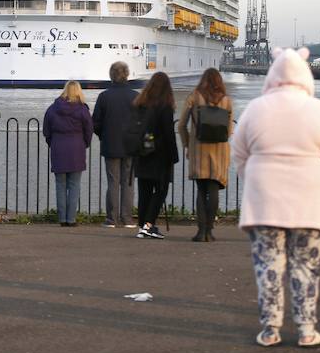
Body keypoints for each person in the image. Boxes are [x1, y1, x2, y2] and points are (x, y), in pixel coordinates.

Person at [231, 47, 320, 348]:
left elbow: (239, 154)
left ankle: (270, 329)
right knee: (306, 265)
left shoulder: (255, 108)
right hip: (308, 202)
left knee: (268, 264)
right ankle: (306, 329)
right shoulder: (319, 110)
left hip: (264, 201)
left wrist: (253, 179)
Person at [178, 67, 233, 242]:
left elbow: (180, 125)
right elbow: (229, 130)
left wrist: (187, 144)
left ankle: (200, 232)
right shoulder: (226, 100)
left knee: (201, 191)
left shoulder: (194, 97)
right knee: (214, 189)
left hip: (199, 149)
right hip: (219, 150)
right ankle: (210, 231)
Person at [133, 72, 179, 240]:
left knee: (144, 191)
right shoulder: (164, 106)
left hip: (142, 152)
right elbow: (168, 134)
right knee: (161, 190)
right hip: (159, 155)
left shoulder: (140, 103)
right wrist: (174, 156)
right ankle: (148, 225)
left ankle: (142, 225)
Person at [92, 61, 138, 228]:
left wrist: (103, 135)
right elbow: (141, 121)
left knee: (113, 182)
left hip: (110, 144)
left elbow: (95, 123)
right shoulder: (135, 96)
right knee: (128, 182)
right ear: (127, 75)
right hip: (131, 145)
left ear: (111, 75)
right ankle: (127, 219)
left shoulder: (104, 96)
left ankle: (111, 219)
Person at [43, 81, 93, 227]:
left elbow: (46, 131)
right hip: (77, 148)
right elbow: (89, 130)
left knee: (60, 185)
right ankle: (71, 219)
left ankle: (62, 219)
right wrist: (85, 144)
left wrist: (53, 143)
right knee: (74, 185)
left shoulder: (53, 109)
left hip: (58, 147)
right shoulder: (83, 109)